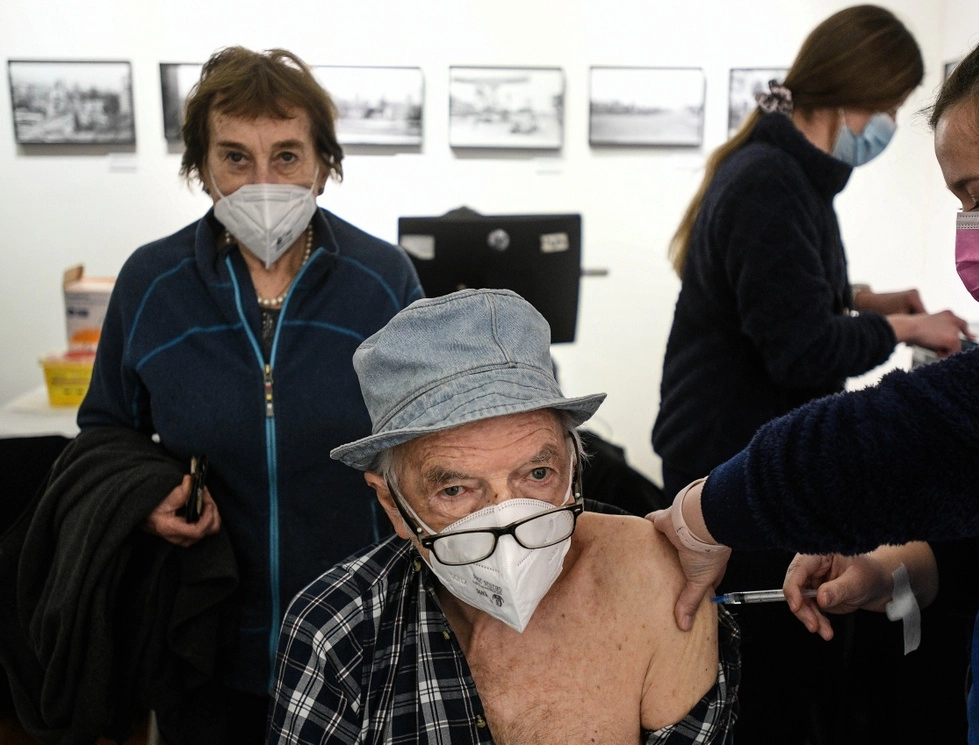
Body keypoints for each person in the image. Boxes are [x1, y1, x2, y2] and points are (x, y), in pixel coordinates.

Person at [651, 5, 979, 743]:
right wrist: (906, 566)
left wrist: (703, 514)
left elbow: (934, 435)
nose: (973, 228)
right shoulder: (772, 178)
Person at [77, 46, 423, 741]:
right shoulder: (152, 283)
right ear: (201, 169)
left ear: (323, 165)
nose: (263, 181)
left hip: (358, 631)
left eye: (287, 156)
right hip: (201, 636)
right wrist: (146, 499)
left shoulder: (383, 280)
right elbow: (106, 428)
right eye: (235, 157)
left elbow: (431, 432)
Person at [651, 6, 970, 742]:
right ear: (857, 91)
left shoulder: (788, 172)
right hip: (730, 455)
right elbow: (798, 348)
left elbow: (781, 291)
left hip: (734, 444)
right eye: (889, 108)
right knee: (769, 676)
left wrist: (866, 301)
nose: (886, 126)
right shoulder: (769, 179)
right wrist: (903, 329)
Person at [268, 289, 740, 744]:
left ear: (574, 467)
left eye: (537, 473)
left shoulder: (657, 583)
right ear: (393, 503)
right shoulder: (338, 629)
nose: (506, 522)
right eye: (455, 489)